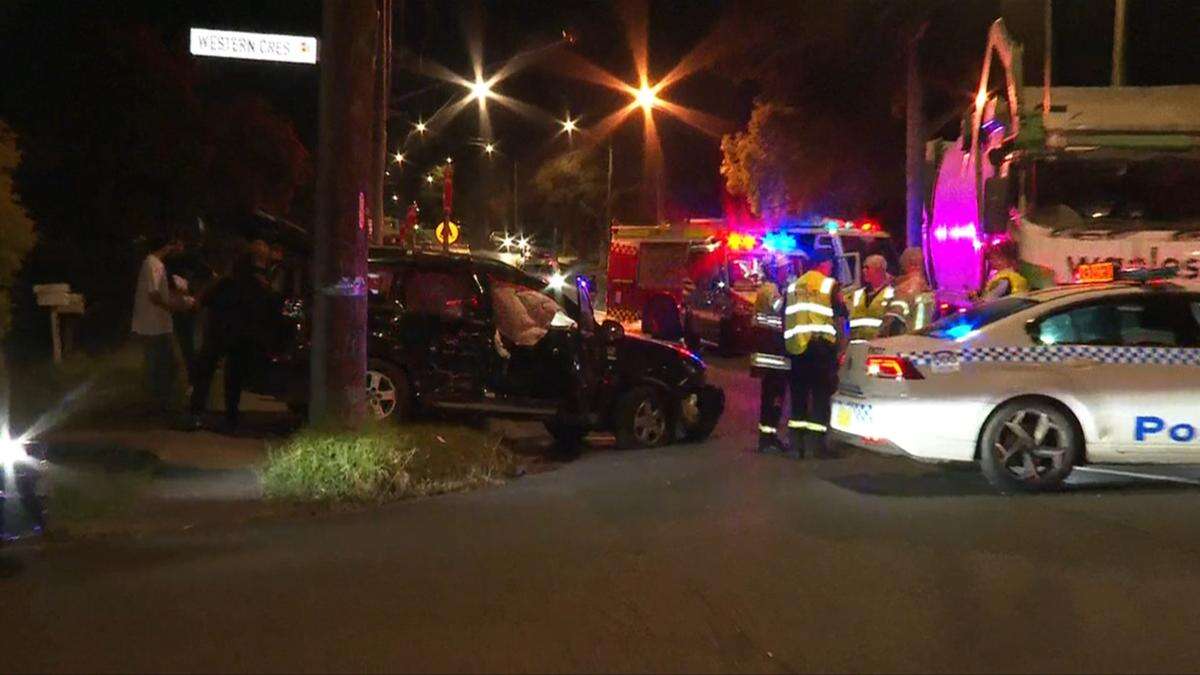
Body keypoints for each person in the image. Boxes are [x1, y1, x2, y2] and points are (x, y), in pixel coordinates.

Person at [185, 238, 282, 432]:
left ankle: (197, 414)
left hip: (220, 332)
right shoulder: (260, 284)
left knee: (207, 373)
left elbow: (204, 301)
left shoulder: (228, 280)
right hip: (239, 335)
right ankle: (230, 417)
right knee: (232, 377)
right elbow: (267, 308)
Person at [783, 249, 849, 458]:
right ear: (825, 264)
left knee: (798, 396)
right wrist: (841, 348)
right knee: (821, 396)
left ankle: (796, 445)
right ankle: (818, 446)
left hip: (797, 348)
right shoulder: (829, 285)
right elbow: (841, 317)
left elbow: (785, 316)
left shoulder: (793, 286)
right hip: (821, 349)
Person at [131, 233, 194, 414]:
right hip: (155, 323)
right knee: (164, 363)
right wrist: (174, 306)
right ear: (167, 246)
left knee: (158, 362)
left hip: (154, 322)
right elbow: (155, 295)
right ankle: (158, 402)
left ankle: (155, 401)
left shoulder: (151, 263)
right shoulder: (154, 265)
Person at [752, 253, 793, 453]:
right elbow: (779, 308)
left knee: (771, 395)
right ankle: (768, 438)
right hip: (774, 351)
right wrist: (790, 293)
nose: (788, 272)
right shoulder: (771, 290)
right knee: (774, 395)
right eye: (785, 269)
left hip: (768, 349)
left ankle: (768, 436)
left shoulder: (767, 288)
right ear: (774, 270)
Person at [882, 247, 935, 336]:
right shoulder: (903, 290)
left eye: (920, 264)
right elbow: (894, 319)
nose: (919, 267)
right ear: (907, 266)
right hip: (907, 342)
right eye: (915, 264)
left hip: (924, 342)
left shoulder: (927, 291)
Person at [845, 254, 895, 341]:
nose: (864, 271)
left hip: (879, 345)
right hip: (856, 345)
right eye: (863, 267)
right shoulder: (856, 295)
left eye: (867, 268)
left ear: (880, 270)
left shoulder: (892, 294)